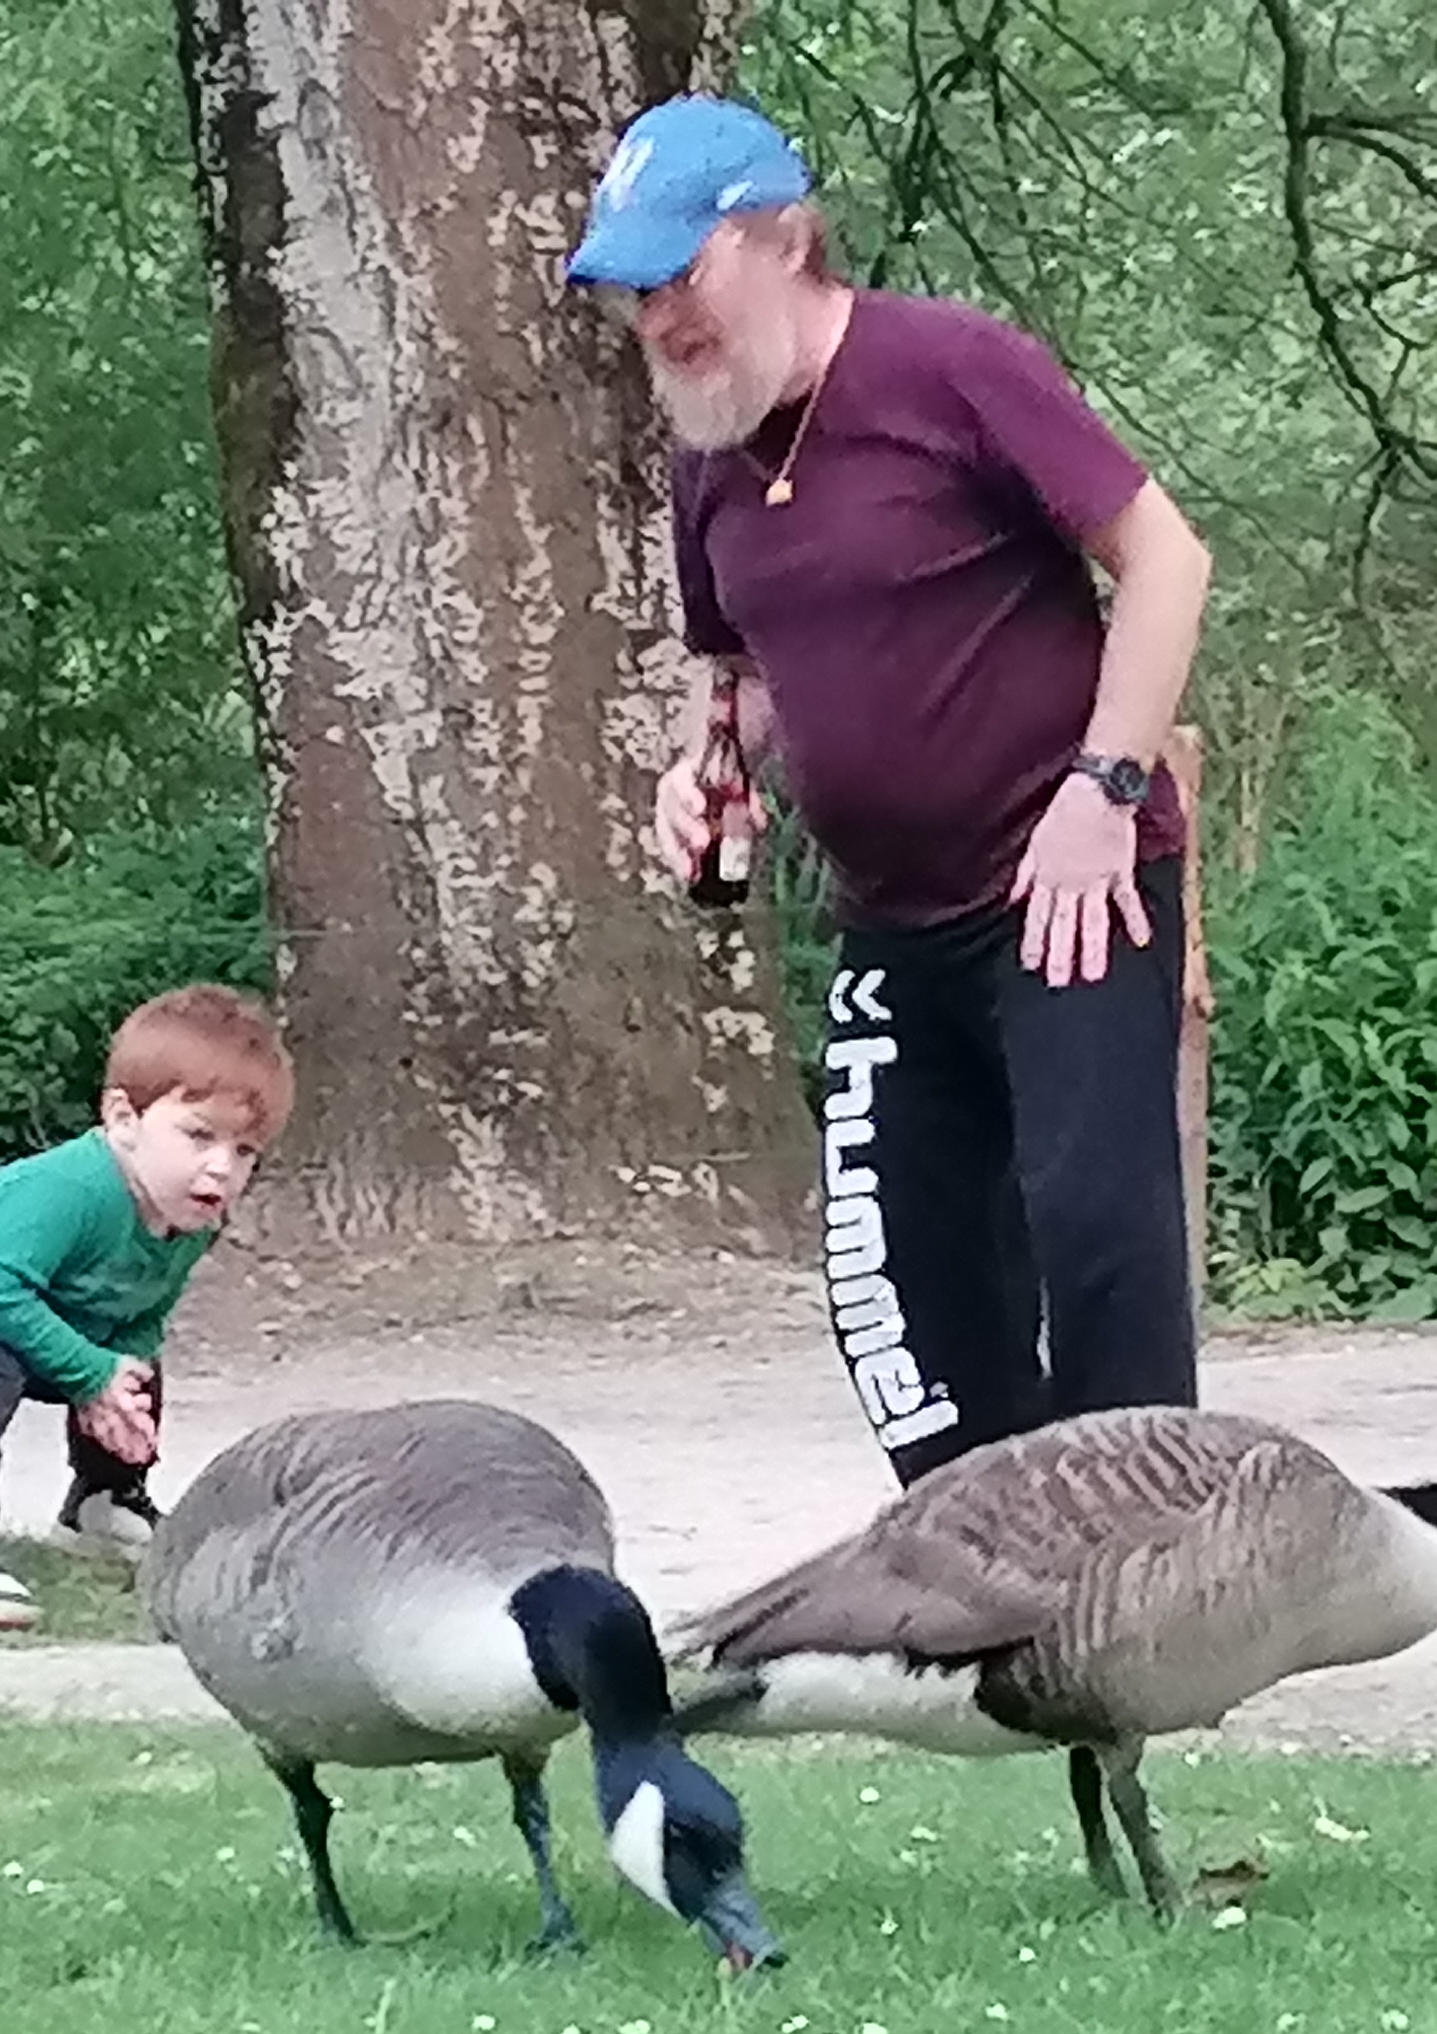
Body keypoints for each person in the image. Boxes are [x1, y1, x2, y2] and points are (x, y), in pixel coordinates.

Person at [566, 94, 1217, 1486]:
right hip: (891, 922)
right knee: (902, 1271)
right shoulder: (709, 460)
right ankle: (990, 1568)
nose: (658, 319)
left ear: (783, 236)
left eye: (679, 273)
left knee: (1094, 1228)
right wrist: (699, 778)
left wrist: (1104, 787)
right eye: (630, 291)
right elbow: (729, 671)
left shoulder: (952, 367)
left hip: (1069, 885)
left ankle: (1148, 1566)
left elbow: (1167, 560)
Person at [0, 983, 291, 1630]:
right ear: (124, 1120)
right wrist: (87, 1376)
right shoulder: (74, 1189)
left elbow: (139, 1315)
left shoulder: (192, 1215)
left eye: (244, 1151)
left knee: (132, 1361)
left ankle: (104, 1501)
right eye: (198, 1135)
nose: (220, 1168)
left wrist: (115, 1398)